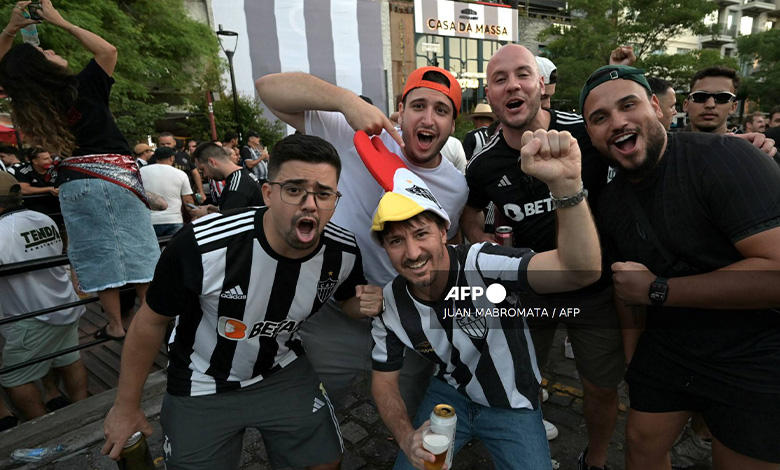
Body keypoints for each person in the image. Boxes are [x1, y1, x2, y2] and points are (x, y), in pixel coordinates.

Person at [102, 134, 383, 470]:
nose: (310, 204)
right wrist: (126, 406)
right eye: (294, 190)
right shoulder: (203, 246)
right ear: (268, 193)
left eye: (323, 194)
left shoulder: (343, 250)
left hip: (281, 370)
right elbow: (150, 321)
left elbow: (347, 300)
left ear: (335, 200)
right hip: (202, 380)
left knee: (323, 463)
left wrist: (365, 303)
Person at [580, 64, 780, 470]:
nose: (617, 122)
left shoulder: (727, 158)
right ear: (591, 134)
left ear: (656, 107)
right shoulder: (611, 202)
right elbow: (625, 288)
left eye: (628, 105)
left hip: (753, 349)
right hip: (669, 346)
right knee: (640, 446)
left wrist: (660, 290)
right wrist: (636, 362)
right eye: (599, 118)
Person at [363, 130, 601, 470]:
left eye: (421, 233)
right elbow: (383, 383)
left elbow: (579, 271)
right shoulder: (391, 304)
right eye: (396, 240)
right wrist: (405, 438)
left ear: (443, 231)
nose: (412, 252)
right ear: (384, 248)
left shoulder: (482, 263)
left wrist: (566, 188)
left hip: (513, 402)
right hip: (449, 396)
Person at [255, 66, 469, 412]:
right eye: (418, 106)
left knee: (410, 405)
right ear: (401, 110)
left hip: (405, 312)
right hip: (333, 306)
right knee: (314, 406)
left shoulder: (455, 187)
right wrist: (345, 102)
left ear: (452, 125)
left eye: (441, 110)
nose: (428, 118)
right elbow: (268, 89)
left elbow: (444, 244)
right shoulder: (358, 134)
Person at [461, 44, 623, 470]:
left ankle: (597, 459)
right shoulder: (483, 164)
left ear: (541, 85)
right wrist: (488, 248)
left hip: (595, 287)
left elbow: (644, 155)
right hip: (529, 292)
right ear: (490, 97)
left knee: (602, 386)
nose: (512, 85)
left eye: (522, 75)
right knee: (522, 379)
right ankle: (529, 452)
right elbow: (470, 211)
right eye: (500, 80)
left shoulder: (584, 135)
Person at [0, 0, 159, 341]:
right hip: (113, 178)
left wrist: (11, 29)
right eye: (47, 54)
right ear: (44, 69)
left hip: (74, 184)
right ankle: (150, 318)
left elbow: (5, 67)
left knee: (96, 250)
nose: (53, 50)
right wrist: (60, 21)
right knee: (137, 245)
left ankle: (115, 324)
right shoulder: (83, 86)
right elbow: (108, 50)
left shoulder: (32, 104)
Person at [0, 172, 88, 420]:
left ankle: (42, 427)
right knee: (69, 359)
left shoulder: (1, 231)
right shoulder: (41, 218)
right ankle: (83, 415)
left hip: (32, 317)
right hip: (64, 304)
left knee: (14, 378)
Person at [188, 142, 263, 219]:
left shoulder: (237, 185)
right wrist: (217, 209)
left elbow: (228, 222)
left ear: (212, 162)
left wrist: (205, 215)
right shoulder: (240, 176)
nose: (205, 175)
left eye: (203, 169)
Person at [139, 147, 194, 237]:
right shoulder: (181, 174)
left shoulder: (141, 171)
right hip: (173, 220)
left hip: (150, 221)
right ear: (172, 158)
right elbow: (188, 200)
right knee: (175, 249)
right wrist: (194, 215)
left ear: (155, 158)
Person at [682, 66, 739, 134]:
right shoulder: (669, 143)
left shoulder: (748, 144)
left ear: (733, 107)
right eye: (700, 96)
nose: (710, 104)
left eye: (722, 97)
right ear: (686, 105)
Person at [158, 132, 206, 203]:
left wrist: (201, 191)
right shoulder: (154, 159)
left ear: (174, 143)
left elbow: (195, 173)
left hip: (187, 193)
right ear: (159, 144)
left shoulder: (184, 156)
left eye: (168, 143)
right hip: (167, 196)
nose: (166, 146)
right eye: (163, 144)